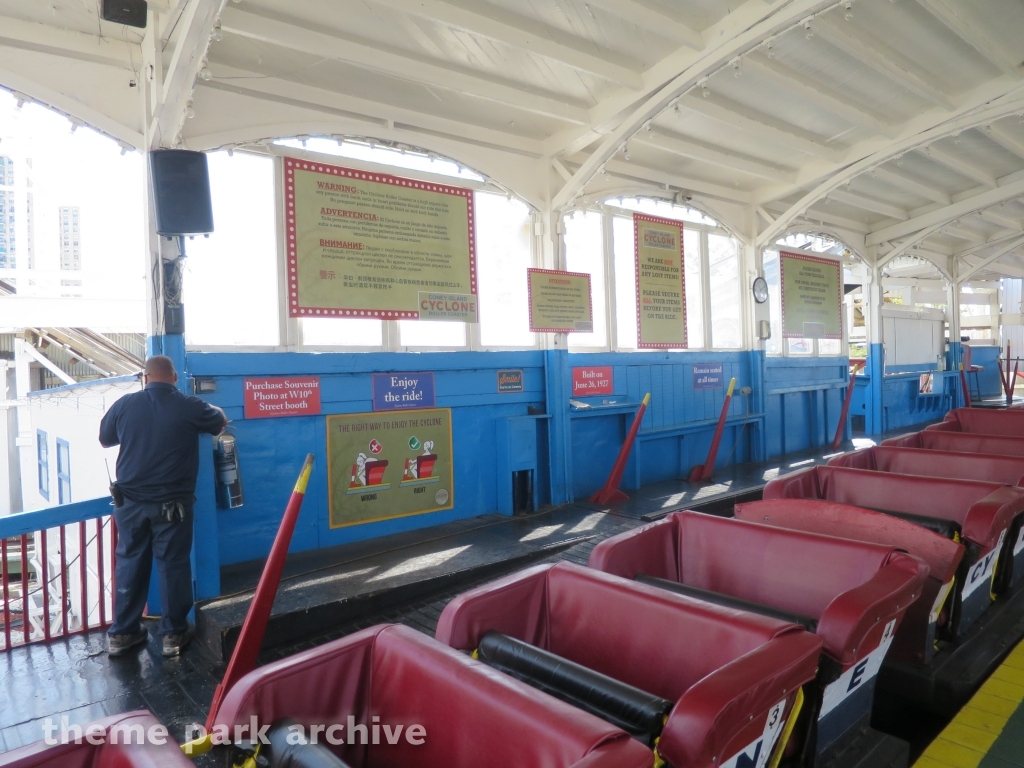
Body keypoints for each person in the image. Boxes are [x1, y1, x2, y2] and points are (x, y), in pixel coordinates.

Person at [99, 355, 226, 657]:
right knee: (173, 567)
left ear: (145, 377)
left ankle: (122, 634)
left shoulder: (124, 404)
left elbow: (105, 440)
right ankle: (172, 636)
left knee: (129, 563)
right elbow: (219, 422)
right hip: (172, 507)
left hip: (129, 504)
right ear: (173, 377)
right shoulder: (189, 406)